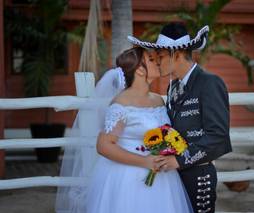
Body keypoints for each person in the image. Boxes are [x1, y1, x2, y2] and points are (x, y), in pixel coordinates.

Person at [55, 47, 192, 213]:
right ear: (140, 70)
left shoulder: (158, 100)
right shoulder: (121, 103)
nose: (157, 61)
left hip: (162, 176)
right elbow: (104, 145)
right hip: (128, 177)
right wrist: (145, 162)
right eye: (150, 59)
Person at [128, 23, 232, 213]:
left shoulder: (209, 83)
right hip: (173, 178)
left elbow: (218, 137)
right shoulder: (173, 88)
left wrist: (179, 161)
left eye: (160, 57)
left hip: (198, 174)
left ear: (176, 54)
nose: (157, 62)